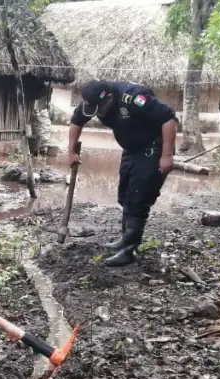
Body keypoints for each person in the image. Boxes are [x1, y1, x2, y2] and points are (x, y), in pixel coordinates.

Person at [67, 80, 178, 267]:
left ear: (109, 98)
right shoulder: (92, 100)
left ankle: (130, 250)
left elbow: (168, 119)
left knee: (139, 196)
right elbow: (76, 122)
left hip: (154, 146)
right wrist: (71, 152)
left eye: (100, 109)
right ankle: (125, 239)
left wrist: (166, 155)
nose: (99, 114)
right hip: (131, 149)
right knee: (125, 194)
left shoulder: (133, 97)